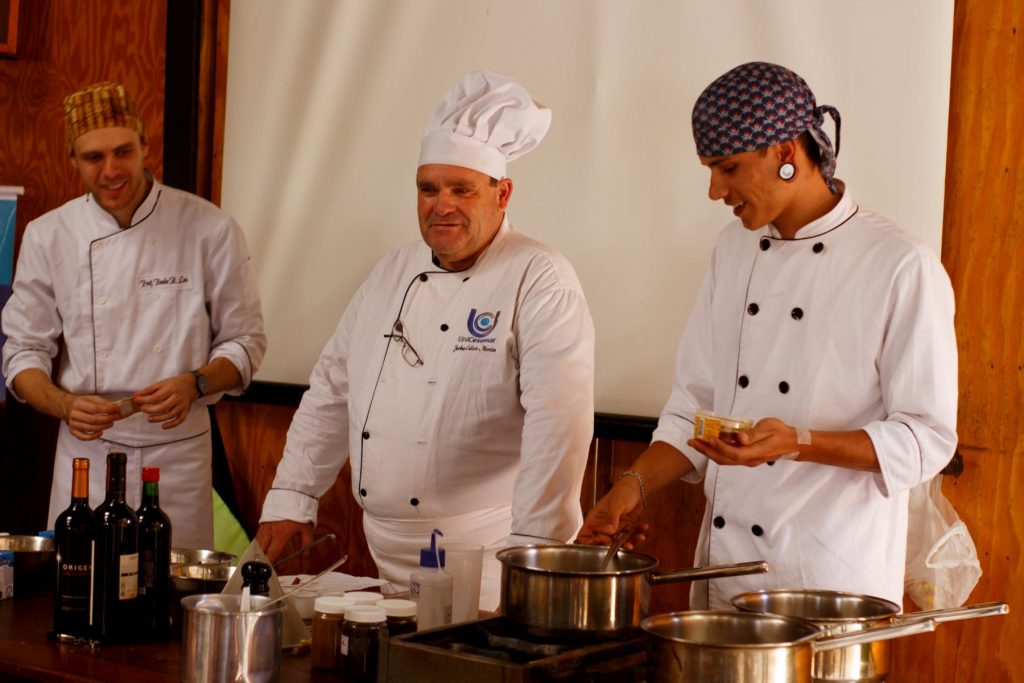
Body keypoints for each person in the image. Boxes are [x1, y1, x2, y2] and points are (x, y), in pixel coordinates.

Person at [577, 62, 958, 610]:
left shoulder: (900, 266)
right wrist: (630, 488)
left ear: (786, 153)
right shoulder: (731, 251)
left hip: (827, 586)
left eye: (727, 168)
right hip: (725, 576)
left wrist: (799, 442)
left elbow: (927, 439)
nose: (714, 190)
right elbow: (696, 406)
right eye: (710, 169)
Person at [256, 71, 595, 610]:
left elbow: (559, 425)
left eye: (462, 189)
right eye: (428, 188)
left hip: (486, 558)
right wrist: (294, 496)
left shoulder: (538, 276)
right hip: (384, 555)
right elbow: (332, 388)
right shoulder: (392, 270)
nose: (443, 205)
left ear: (502, 193)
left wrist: (535, 555)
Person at [1, 82, 266, 548]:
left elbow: (245, 342)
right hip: (86, 453)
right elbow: (22, 353)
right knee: (81, 595)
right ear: (73, 160)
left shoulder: (208, 228)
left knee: (170, 597)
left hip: (177, 456)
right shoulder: (49, 236)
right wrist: (65, 405)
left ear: (146, 146)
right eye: (93, 157)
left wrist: (196, 383)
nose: (110, 171)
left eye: (123, 151)